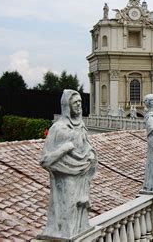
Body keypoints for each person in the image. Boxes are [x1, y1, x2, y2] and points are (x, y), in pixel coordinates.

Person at [40, 90, 97, 239]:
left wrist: (90, 155)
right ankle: (66, 233)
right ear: (67, 105)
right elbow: (45, 160)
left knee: (80, 205)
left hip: (82, 174)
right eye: (75, 102)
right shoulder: (58, 128)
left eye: (80, 102)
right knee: (68, 207)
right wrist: (65, 148)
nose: (79, 105)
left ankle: (79, 229)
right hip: (66, 176)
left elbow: (88, 147)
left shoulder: (81, 126)